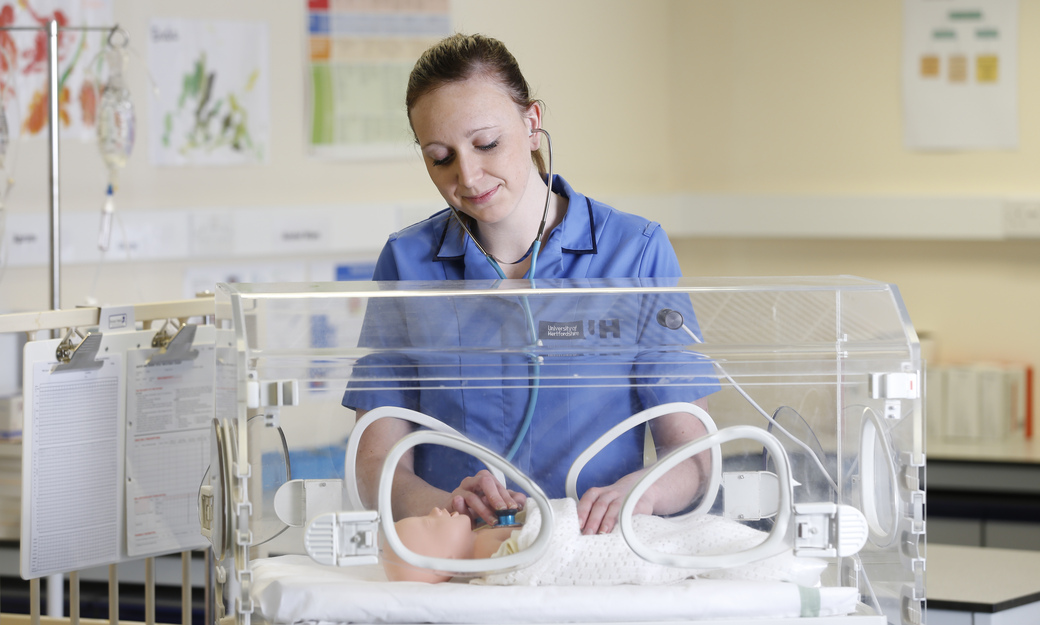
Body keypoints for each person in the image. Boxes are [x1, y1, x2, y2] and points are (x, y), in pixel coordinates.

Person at [343, 33, 718, 535]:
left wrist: (646, 490)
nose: (469, 176)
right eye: (440, 157)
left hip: (596, 552)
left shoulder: (636, 251)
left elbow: (693, 459)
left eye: (486, 144)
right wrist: (446, 504)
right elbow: (375, 465)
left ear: (532, 122)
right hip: (464, 556)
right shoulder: (408, 264)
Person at [379, 499, 826, 587]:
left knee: (698, 535)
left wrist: (522, 508)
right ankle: (789, 566)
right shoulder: (491, 565)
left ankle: (786, 558)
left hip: (622, 523)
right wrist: (542, 514)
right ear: (439, 564)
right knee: (700, 543)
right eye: (425, 522)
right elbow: (545, 553)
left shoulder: (483, 541)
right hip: (616, 549)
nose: (435, 509)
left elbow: (530, 530)